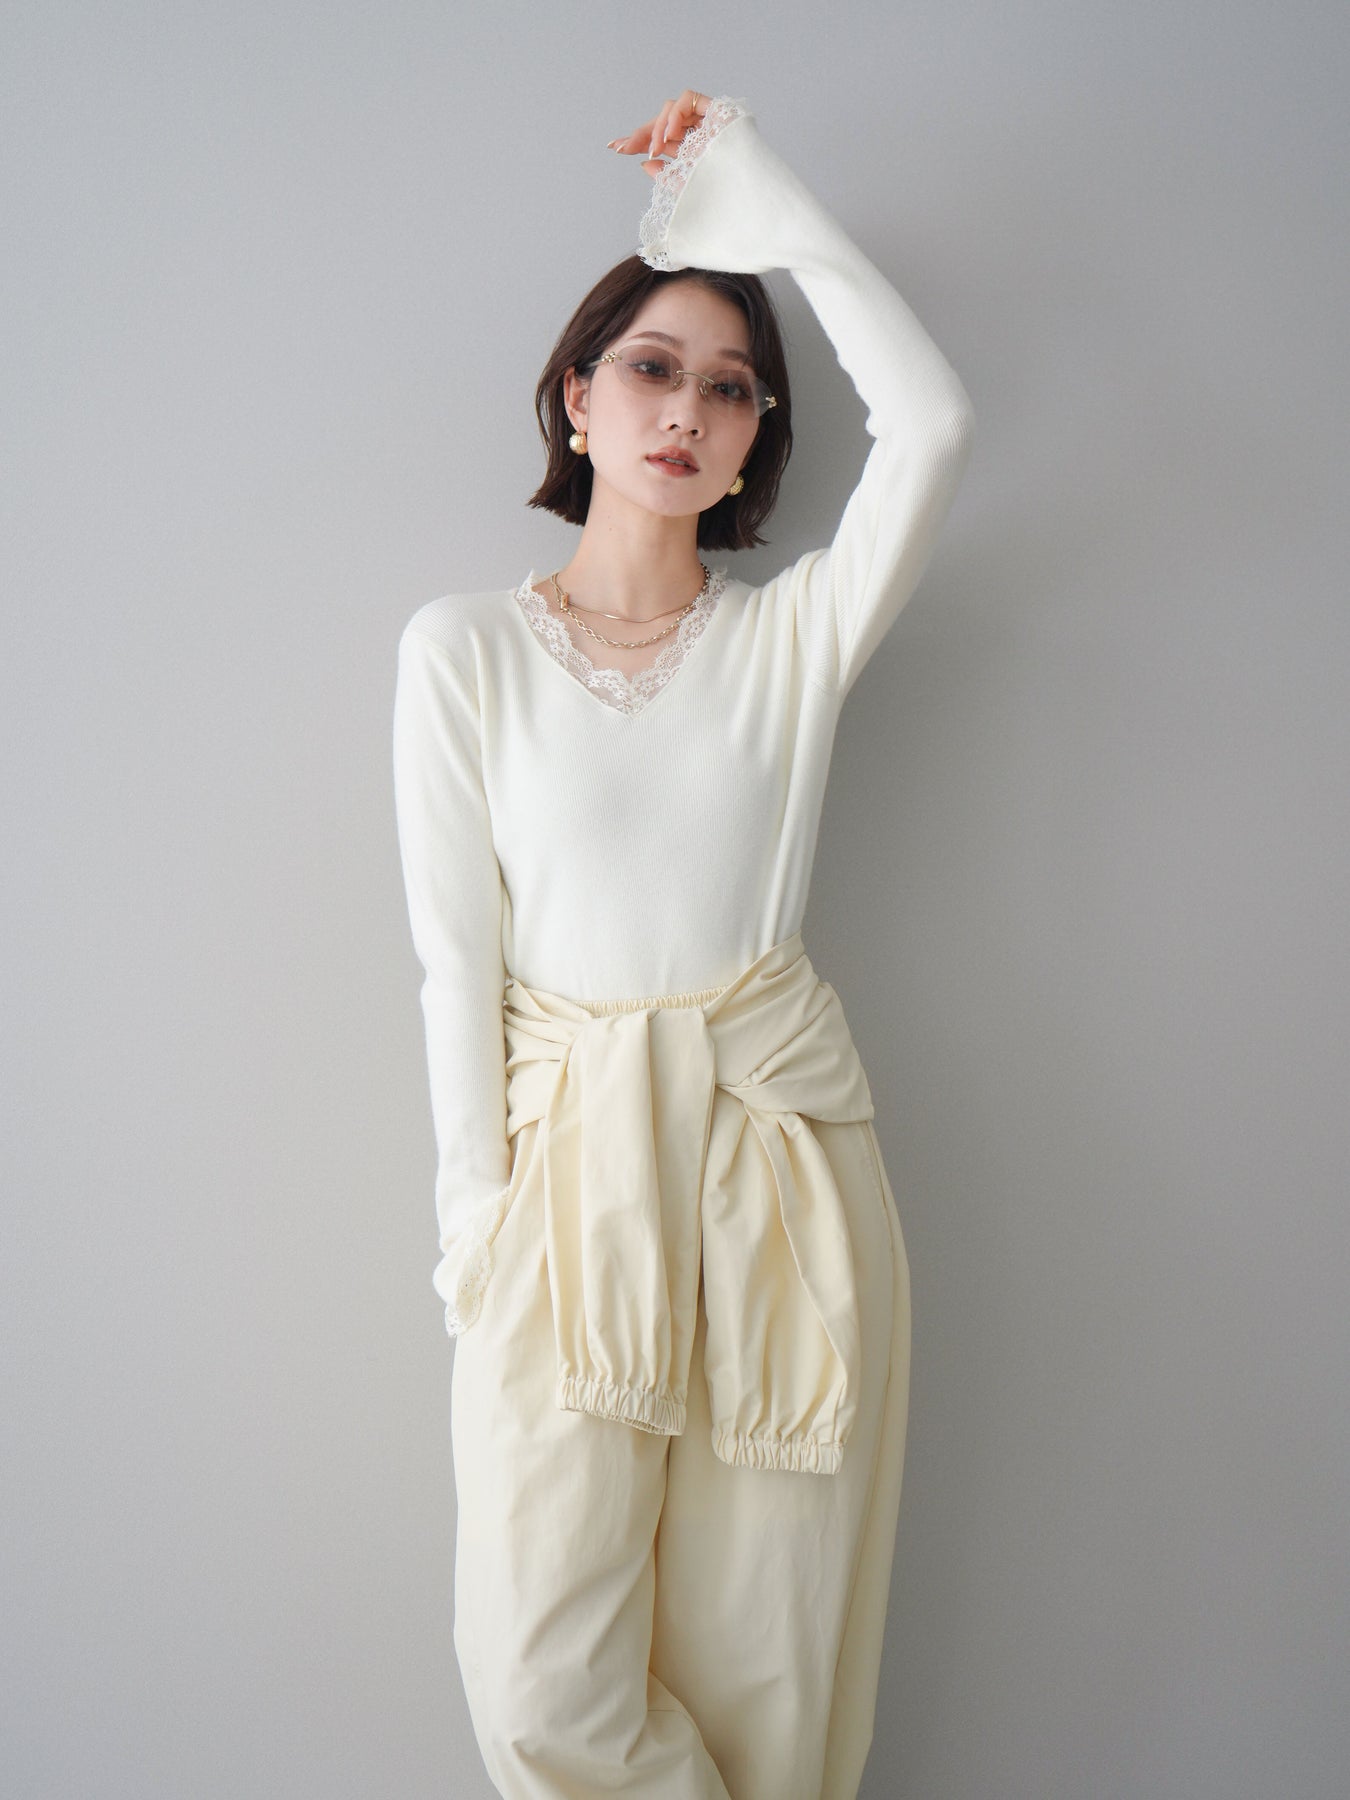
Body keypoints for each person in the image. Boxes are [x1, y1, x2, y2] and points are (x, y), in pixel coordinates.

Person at [392, 87, 974, 1800]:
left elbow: (934, 423)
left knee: (764, 1673)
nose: (688, 409)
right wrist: (473, 1229)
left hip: (775, 1170)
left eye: (731, 389)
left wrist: (764, 204)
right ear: (577, 400)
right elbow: (454, 962)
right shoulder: (461, 652)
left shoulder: (793, 640)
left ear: (749, 445)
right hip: (560, 1185)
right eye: (652, 368)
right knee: (541, 1683)